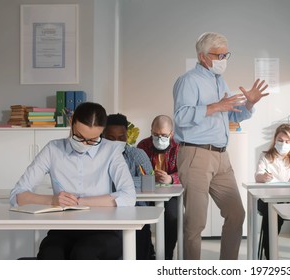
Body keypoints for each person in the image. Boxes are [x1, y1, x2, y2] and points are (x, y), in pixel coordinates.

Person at [173, 31, 269, 260]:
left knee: (236, 213)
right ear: (203, 56)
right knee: (196, 223)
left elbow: (232, 116)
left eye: (226, 55)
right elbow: (181, 117)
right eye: (219, 55)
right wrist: (216, 106)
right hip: (196, 154)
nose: (223, 59)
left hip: (221, 157)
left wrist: (249, 104)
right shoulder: (188, 81)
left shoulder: (219, 81)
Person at [9, 102, 136, 260]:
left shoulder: (111, 151)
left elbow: (128, 196)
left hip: (103, 230)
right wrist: (53, 200)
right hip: (62, 230)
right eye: (79, 136)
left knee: (84, 254)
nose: (84, 144)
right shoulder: (53, 149)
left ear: (101, 132)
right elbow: (17, 195)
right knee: (50, 255)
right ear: (71, 123)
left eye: (92, 140)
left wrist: (79, 202)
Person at [103, 113, 154, 260]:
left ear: (127, 136)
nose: (117, 142)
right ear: (103, 135)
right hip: (106, 209)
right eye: (111, 138)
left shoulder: (137, 154)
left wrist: (121, 184)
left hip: (136, 208)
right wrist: (130, 183)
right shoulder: (96, 156)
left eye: (121, 138)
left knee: (139, 235)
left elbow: (148, 181)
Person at [137, 115, 179, 260]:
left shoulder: (178, 147)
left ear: (171, 134)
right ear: (151, 131)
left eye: (164, 135)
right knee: (140, 215)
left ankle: (166, 257)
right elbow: (137, 170)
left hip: (171, 192)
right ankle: (147, 253)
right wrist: (148, 176)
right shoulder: (143, 145)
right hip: (147, 192)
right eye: (155, 134)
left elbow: (186, 172)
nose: (159, 138)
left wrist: (171, 178)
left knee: (172, 218)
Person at [255, 123, 290, 260]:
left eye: (287, 141)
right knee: (271, 220)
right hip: (269, 200)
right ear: (274, 140)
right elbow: (258, 176)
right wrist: (263, 177)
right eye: (280, 140)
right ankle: (271, 258)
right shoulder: (266, 156)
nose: (283, 144)